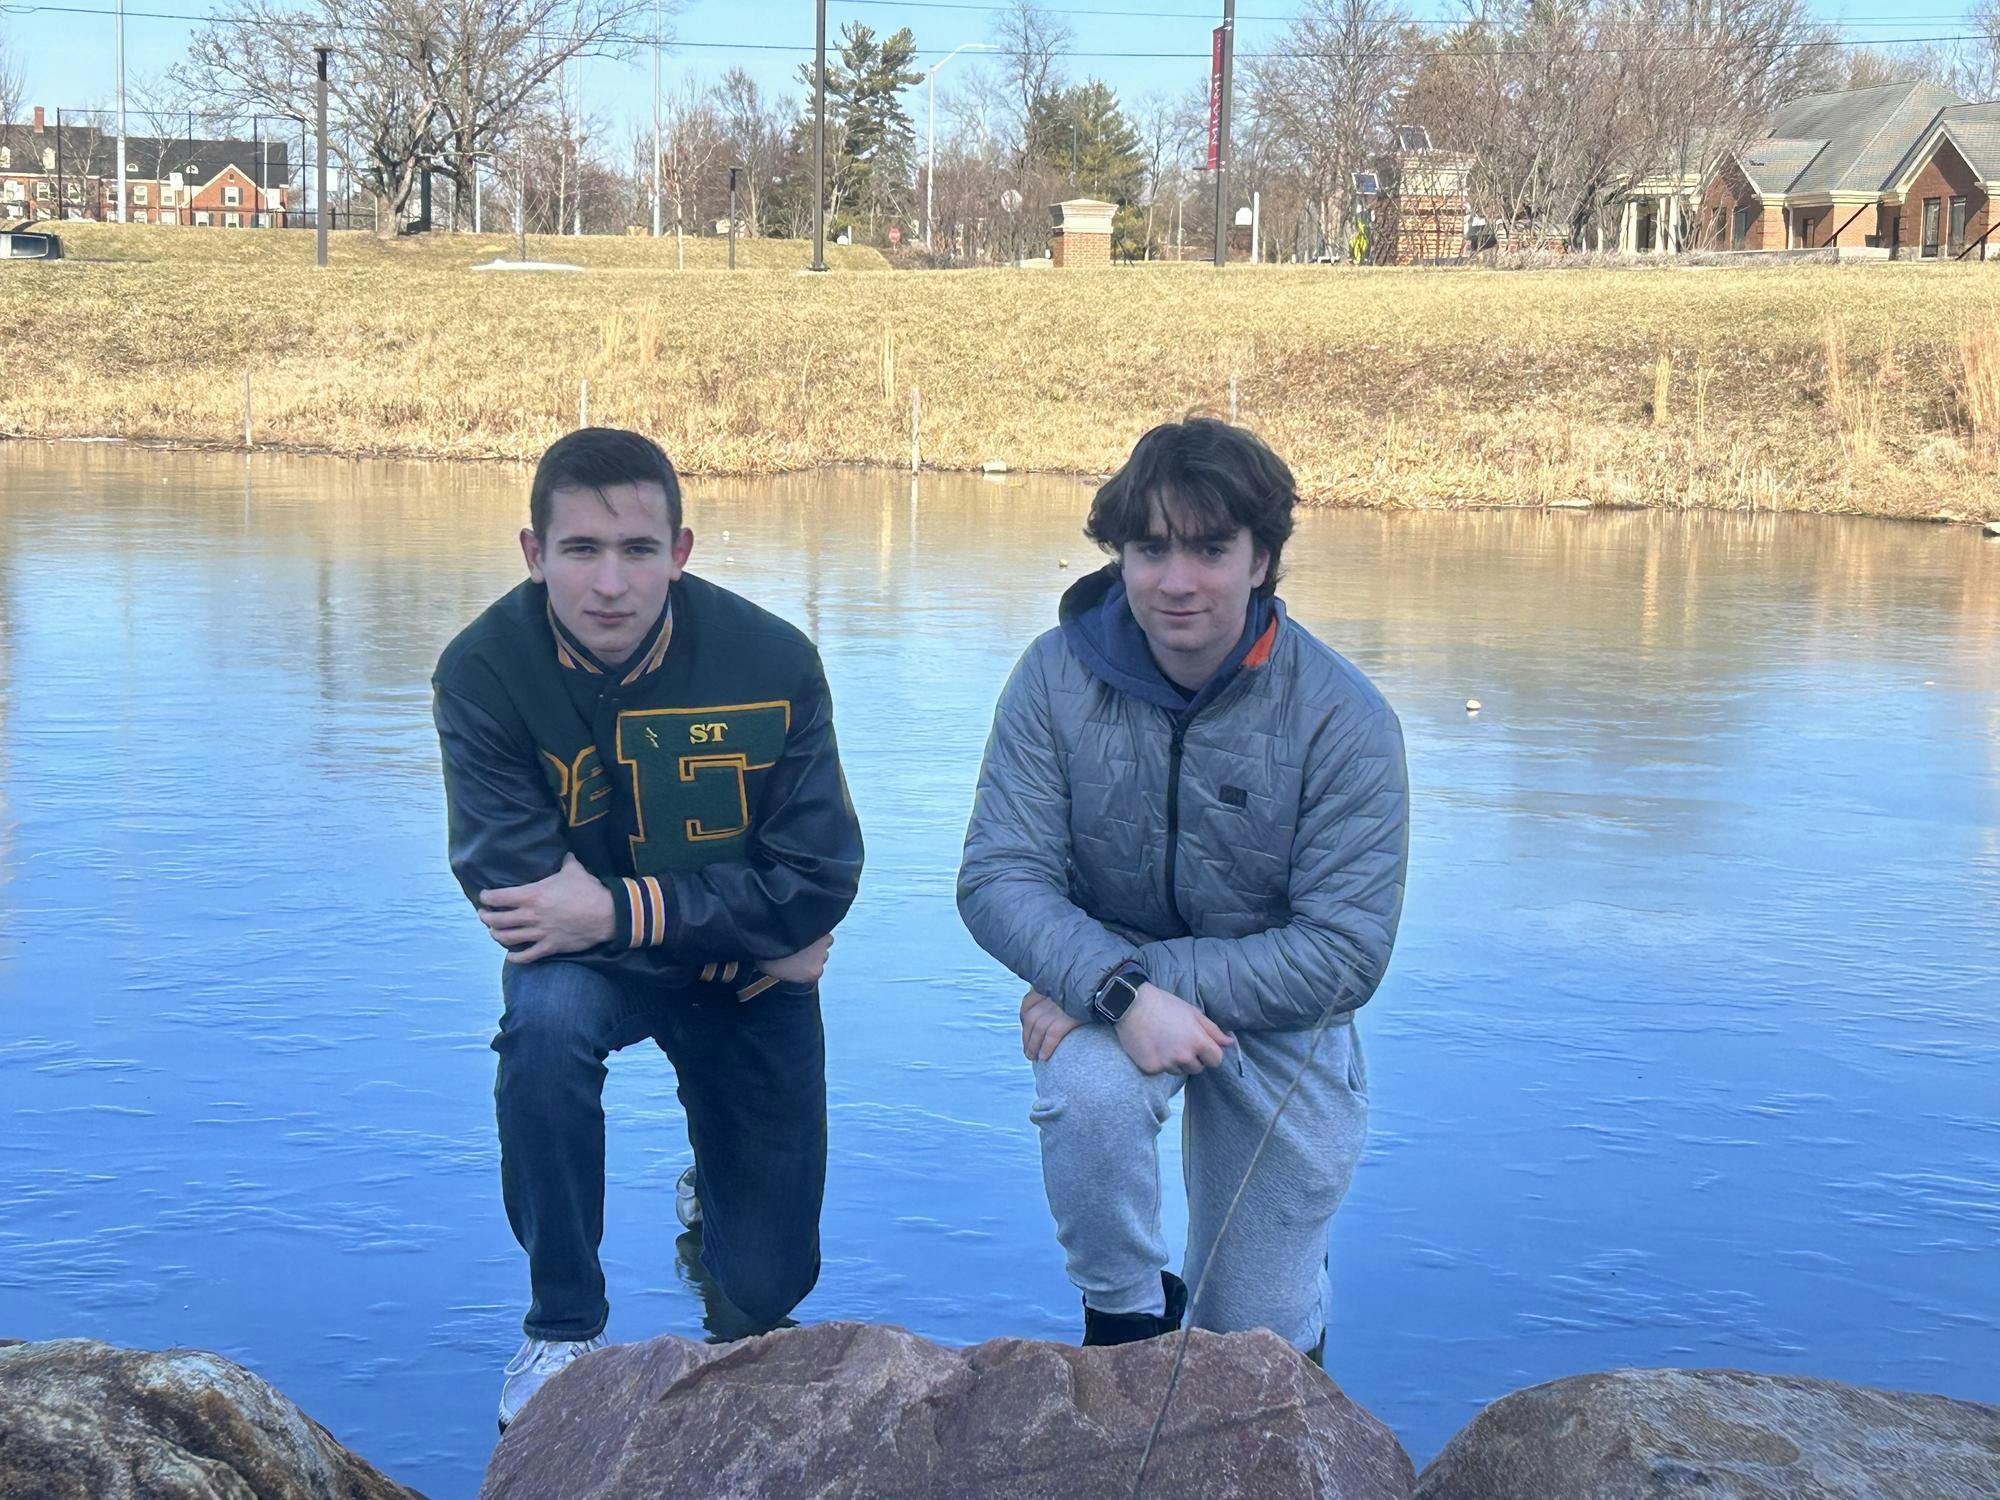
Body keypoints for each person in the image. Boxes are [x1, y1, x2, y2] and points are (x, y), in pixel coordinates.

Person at [432, 428, 863, 1429]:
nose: (610, 583)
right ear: (532, 553)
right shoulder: (482, 673)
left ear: (683, 550)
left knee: (764, 1298)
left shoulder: (774, 659)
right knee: (541, 1021)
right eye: (579, 550)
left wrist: (621, 907)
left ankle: (715, 1188)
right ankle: (560, 1324)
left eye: (637, 550)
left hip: (742, 986)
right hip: (636, 971)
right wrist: (753, 926)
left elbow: (819, 878)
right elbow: (519, 900)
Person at [957, 416, 1407, 1358]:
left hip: (1276, 1014)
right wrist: (1115, 997)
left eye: (1210, 548)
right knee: (1087, 1099)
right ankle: (1120, 1320)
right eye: (1150, 547)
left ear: (1262, 559)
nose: (1177, 580)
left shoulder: (1346, 718)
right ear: (1119, 555)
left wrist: (1121, 981)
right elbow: (999, 877)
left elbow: (1343, 957)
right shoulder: (1050, 678)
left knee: (1259, 1340)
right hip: (1105, 1000)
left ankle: (1278, 1314)